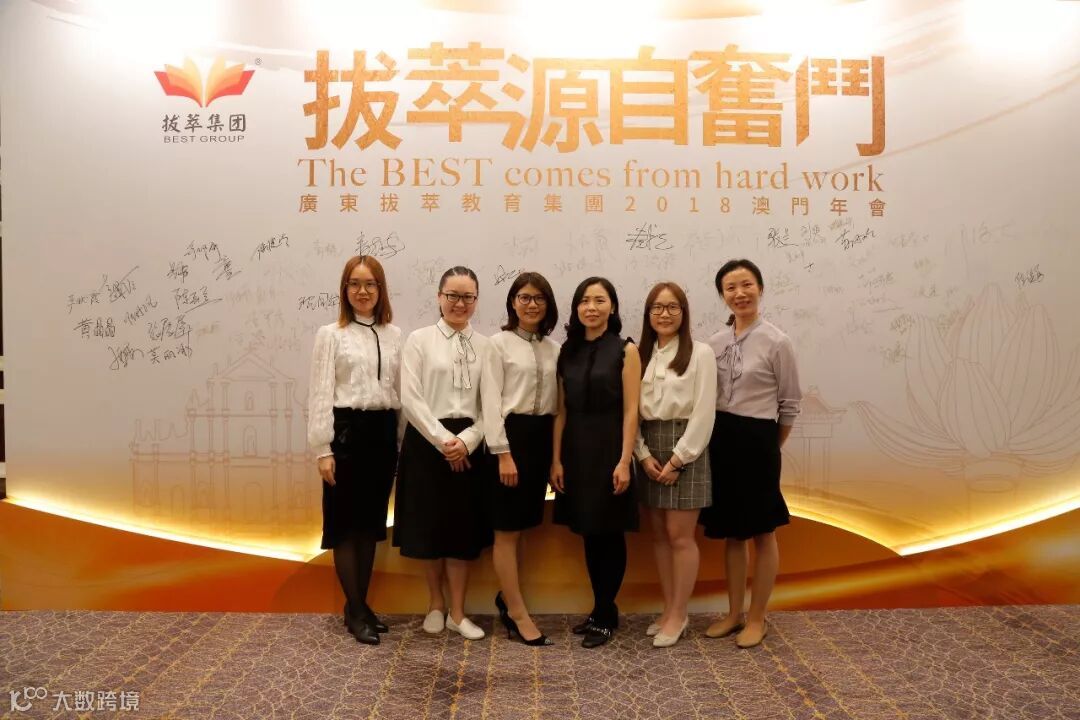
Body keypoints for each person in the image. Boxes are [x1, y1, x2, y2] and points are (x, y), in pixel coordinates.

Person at [701, 259, 802, 649]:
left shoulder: (777, 342)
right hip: (721, 438)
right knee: (732, 532)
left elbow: (789, 404)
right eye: (731, 287)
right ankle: (733, 614)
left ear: (760, 288)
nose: (739, 293)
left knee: (762, 531)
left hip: (759, 440)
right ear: (722, 295)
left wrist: (770, 446)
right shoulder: (713, 343)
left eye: (746, 285)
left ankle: (757, 617)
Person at [393, 266, 492, 641]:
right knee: (429, 528)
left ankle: (458, 613)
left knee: (461, 531)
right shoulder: (418, 340)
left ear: (476, 301)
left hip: (469, 444)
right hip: (426, 441)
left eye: (467, 297)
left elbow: (491, 404)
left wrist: (467, 440)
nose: (459, 303)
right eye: (452, 295)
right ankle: (435, 604)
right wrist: (444, 441)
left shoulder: (487, 346)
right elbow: (410, 398)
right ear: (439, 297)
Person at [308, 255, 402, 645]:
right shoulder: (330, 334)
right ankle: (357, 610)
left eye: (370, 284)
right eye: (355, 284)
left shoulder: (394, 334)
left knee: (370, 525)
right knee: (345, 527)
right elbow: (320, 393)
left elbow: (398, 393)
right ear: (345, 290)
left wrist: (400, 442)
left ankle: (360, 606)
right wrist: (322, 449)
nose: (362, 291)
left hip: (383, 434)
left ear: (381, 290)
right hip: (346, 433)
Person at [551, 277, 641, 648]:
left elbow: (632, 410)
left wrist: (624, 461)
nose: (592, 307)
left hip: (610, 451)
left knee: (609, 532)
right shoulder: (566, 350)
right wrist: (555, 460)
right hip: (575, 452)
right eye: (585, 301)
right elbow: (560, 411)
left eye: (600, 300)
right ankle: (601, 608)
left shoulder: (626, 349)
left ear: (612, 307)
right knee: (589, 532)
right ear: (576, 308)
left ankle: (605, 614)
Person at [634, 282, 717, 648]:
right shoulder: (639, 354)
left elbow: (704, 412)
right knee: (659, 537)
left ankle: (680, 614)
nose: (664, 314)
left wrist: (679, 459)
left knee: (680, 536)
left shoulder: (701, 353)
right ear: (648, 314)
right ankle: (668, 609)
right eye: (657, 307)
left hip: (687, 449)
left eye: (672, 307)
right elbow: (630, 413)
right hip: (649, 449)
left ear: (683, 313)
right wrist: (642, 454)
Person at [481, 272, 560, 646]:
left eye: (539, 298)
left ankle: (508, 598)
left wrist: (555, 459)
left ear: (548, 305)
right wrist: (503, 454)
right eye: (524, 297)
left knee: (524, 526)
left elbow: (558, 408)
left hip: (541, 439)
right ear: (513, 302)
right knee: (506, 530)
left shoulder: (554, 348)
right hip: (510, 440)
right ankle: (516, 613)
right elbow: (490, 403)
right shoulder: (497, 345)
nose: (531, 304)